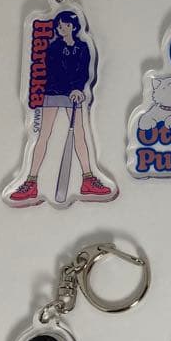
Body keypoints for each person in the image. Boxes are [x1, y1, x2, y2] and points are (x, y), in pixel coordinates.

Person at [8, 11, 112, 202]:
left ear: (72, 26)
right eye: (59, 25)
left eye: (64, 25)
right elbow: (53, 72)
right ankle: (31, 182)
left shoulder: (82, 47)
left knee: (80, 134)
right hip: (54, 92)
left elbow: (84, 71)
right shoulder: (54, 47)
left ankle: (88, 179)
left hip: (75, 95)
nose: (60, 28)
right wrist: (71, 88)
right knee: (43, 134)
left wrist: (78, 88)